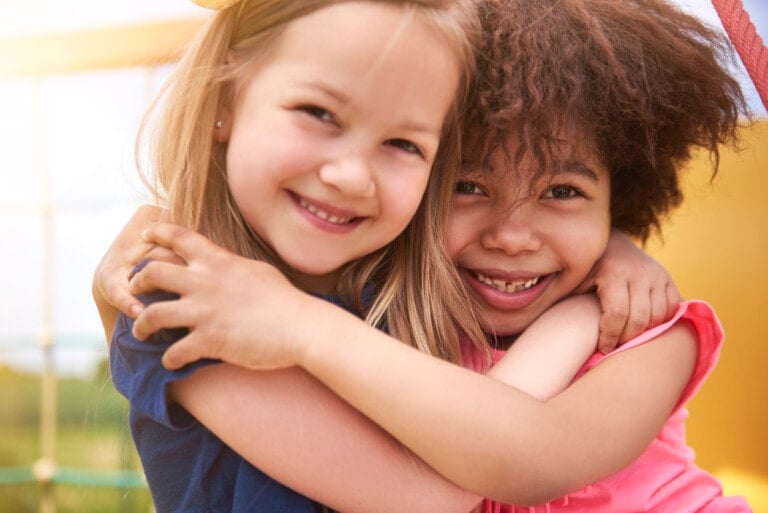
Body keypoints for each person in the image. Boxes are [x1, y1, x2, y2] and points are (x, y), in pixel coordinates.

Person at [110, 0, 753, 511]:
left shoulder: (637, 332)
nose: (512, 235)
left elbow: (526, 449)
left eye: (563, 194)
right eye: (468, 186)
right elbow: (431, 491)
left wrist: (609, 255)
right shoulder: (213, 304)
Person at [104, 0, 491, 511]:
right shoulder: (178, 301)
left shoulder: (418, 296)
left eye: (402, 143)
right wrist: (575, 323)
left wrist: (609, 253)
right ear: (224, 101)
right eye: (319, 113)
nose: (351, 176)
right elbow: (427, 497)